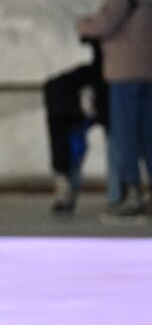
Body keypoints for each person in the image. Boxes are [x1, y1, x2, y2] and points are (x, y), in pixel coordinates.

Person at [77, 0, 152, 223]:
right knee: (147, 134)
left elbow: (102, 25)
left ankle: (132, 195)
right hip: (146, 72)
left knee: (126, 137)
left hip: (123, 75)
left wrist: (82, 24)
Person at [41, 45, 116, 215]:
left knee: (120, 140)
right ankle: (66, 186)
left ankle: (120, 191)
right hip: (81, 99)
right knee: (72, 144)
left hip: (119, 77)